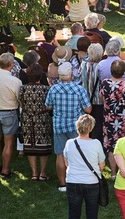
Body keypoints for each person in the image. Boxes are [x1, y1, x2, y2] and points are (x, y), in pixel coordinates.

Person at [46, 62, 92, 192]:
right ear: (71, 74)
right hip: (75, 126)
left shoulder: (53, 89)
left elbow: (48, 106)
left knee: (60, 155)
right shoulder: (79, 89)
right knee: (77, 154)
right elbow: (88, 109)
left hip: (59, 125)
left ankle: (62, 184)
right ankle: (77, 182)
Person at [63, 114, 105, 219]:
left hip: (72, 181)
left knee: (73, 212)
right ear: (90, 128)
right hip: (91, 182)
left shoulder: (69, 143)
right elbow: (102, 165)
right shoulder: (96, 143)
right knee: (92, 213)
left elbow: (66, 163)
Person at [100, 60, 125, 176]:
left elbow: (101, 98)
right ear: (124, 71)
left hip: (110, 119)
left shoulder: (105, 83)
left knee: (111, 146)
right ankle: (124, 171)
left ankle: (113, 173)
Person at [19, 64, 52, 181]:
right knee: (44, 147)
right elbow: (49, 105)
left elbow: (21, 103)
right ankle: (42, 173)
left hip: (28, 119)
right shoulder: (46, 89)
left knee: (29, 145)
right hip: (42, 119)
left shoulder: (22, 88)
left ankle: (34, 173)